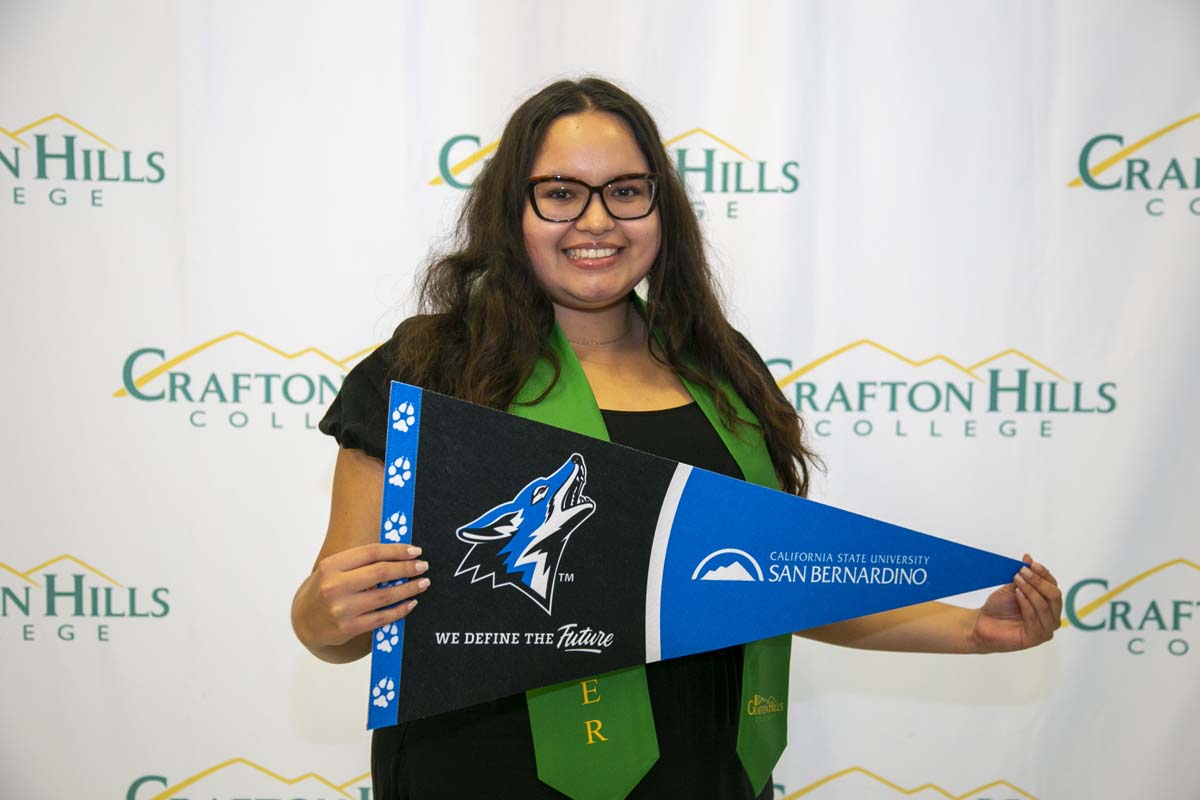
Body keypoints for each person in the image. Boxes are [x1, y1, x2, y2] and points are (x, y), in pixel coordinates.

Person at [291, 77, 1063, 800]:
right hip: (483, 775)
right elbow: (330, 624)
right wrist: (327, 615)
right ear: (510, 211)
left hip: (708, 774)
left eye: (626, 192)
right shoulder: (431, 367)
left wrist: (974, 631)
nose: (597, 221)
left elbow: (771, 582)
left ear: (662, 209)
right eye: (560, 193)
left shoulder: (720, 367)